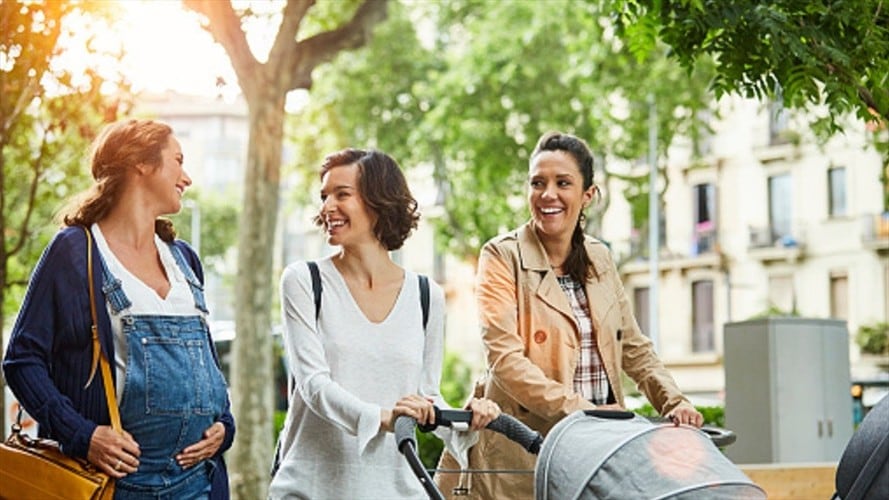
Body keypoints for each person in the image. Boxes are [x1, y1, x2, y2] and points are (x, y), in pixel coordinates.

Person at [436, 131, 703, 499]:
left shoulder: (600, 258)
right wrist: (587, 414)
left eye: (563, 183)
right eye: (537, 183)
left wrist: (676, 402)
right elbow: (506, 360)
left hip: (598, 452)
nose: (548, 194)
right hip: (525, 449)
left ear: (588, 195)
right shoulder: (501, 256)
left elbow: (634, 347)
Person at [3, 119, 235, 499]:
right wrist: (83, 434)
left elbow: (205, 366)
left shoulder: (184, 260)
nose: (187, 177)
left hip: (199, 484)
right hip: (115, 487)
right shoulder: (77, 252)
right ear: (141, 163)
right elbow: (22, 360)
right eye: (178, 160)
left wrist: (225, 425)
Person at [269, 148, 501, 499]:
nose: (327, 206)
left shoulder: (426, 296)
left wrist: (468, 419)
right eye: (324, 196)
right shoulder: (305, 281)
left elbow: (426, 397)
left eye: (342, 194)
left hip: (395, 490)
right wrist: (384, 417)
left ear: (378, 202)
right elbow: (315, 386)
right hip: (312, 488)